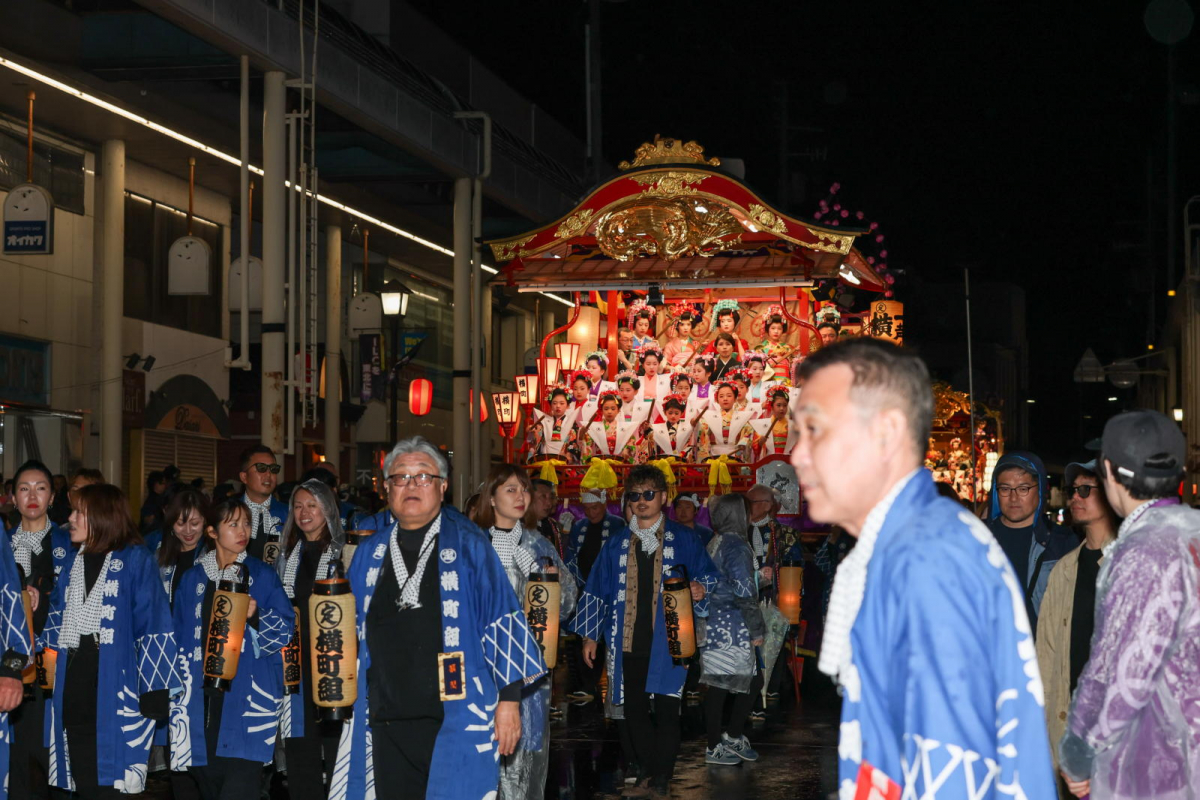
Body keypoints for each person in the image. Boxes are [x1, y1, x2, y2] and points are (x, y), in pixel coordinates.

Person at [792, 338, 1054, 798]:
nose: (796, 454)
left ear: (887, 433)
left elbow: (951, 770)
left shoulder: (925, 561)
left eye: (815, 429)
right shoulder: (909, 543)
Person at [331, 437, 545, 800]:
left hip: (455, 710)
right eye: (401, 478)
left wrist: (509, 702)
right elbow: (346, 631)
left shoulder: (470, 544)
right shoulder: (368, 552)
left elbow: (501, 616)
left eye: (423, 477)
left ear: (443, 487)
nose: (411, 485)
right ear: (386, 488)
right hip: (385, 711)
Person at [1059, 410, 1200, 800]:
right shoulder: (1191, 533)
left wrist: (1080, 751)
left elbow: (1122, 671)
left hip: (1160, 764)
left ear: (1108, 471)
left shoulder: (1143, 550)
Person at [574, 465, 720, 798]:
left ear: (663, 497)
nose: (642, 501)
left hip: (671, 638)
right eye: (635, 495)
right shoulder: (616, 544)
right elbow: (597, 587)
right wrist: (590, 634)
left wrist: (700, 587)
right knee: (635, 710)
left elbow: (710, 575)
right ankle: (653, 773)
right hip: (627, 639)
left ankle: (660, 778)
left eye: (649, 494)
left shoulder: (684, 539)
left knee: (669, 710)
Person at [43, 483, 178, 798]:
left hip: (118, 688)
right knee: (85, 782)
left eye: (79, 512)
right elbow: (56, 619)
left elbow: (154, 623)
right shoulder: (72, 563)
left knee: (112, 786)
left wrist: (155, 689)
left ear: (101, 517)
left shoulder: (135, 559)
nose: (71, 518)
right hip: (76, 682)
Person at [170, 498, 293, 800]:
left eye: (247, 524)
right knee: (209, 784)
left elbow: (286, 630)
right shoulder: (192, 579)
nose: (243, 531)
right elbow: (177, 639)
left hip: (247, 701)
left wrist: (257, 616)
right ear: (211, 531)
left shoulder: (262, 575)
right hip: (201, 704)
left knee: (241, 787)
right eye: (233, 524)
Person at [472, 465, 576, 800]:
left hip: (529, 669)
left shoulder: (537, 545)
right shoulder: (472, 545)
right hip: (481, 668)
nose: (520, 497)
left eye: (524, 490)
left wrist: (549, 583)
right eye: (510, 490)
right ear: (491, 497)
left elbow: (570, 597)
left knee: (527, 750)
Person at [1035, 459, 1117, 796]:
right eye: (1073, 491)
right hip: (1071, 729)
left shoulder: (1129, 563)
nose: (1075, 498)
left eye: (1086, 490)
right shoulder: (1064, 569)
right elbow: (1047, 653)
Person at [276, 480, 346, 800]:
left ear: (327, 509)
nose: (304, 513)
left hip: (332, 660)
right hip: (295, 660)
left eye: (312, 505)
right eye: (298, 506)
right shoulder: (286, 554)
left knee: (336, 744)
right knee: (299, 742)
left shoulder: (343, 552)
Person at [8, 460, 72, 799]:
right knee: (16, 757)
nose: (32, 496)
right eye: (24, 488)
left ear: (51, 497)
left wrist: (45, 598)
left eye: (41, 488)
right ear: (12, 498)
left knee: (55, 758)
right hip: (12, 666)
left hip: (56, 665)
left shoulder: (70, 544)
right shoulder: (3, 544)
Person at [700, 494, 766, 766]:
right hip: (732, 626)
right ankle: (716, 744)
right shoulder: (736, 545)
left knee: (741, 682)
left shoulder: (718, 540)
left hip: (716, 623)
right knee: (725, 686)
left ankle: (730, 737)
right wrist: (756, 628)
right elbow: (743, 591)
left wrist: (759, 577)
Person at [154, 488, 209, 800]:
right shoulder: (161, 555)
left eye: (195, 523)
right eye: (179, 523)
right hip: (172, 665)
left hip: (204, 661)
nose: (187, 531)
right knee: (179, 752)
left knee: (205, 754)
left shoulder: (215, 556)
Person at [985, 452, 1078, 629]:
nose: (1013, 498)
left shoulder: (1061, 542)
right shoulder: (977, 537)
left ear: (1041, 489)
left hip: (1041, 650)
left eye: (1023, 488)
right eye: (1005, 489)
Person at [237, 445, 289, 565]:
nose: (268, 474)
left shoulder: (288, 514)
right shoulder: (228, 514)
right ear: (244, 477)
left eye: (273, 469)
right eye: (261, 468)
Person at [695, 380, 756, 462]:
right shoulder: (707, 418)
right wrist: (706, 458)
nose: (725, 399)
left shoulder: (743, 417)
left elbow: (747, 435)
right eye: (721, 396)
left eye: (729, 396)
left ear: (735, 399)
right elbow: (703, 440)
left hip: (735, 457)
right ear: (717, 400)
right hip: (714, 457)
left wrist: (742, 445)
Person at [580, 391, 645, 463]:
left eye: (613, 409)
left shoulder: (625, 428)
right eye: (606, 408)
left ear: (619, 410)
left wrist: (627, 449)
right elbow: (587, 446)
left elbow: (631, 443)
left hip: (619, 464)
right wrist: (582, 437)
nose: (609, 411)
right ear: (601, 410)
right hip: (600, 463)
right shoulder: (594, 427)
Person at [525, 387, 579, 463]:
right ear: (550, 405)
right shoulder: (544, 421)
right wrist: (532, 429)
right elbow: (536, 435)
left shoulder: (571, 422)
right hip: (545, 458)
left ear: (567, 406)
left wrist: (568, 454)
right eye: (554, 403)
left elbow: (573, 442)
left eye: (562, 403)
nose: (558, 406)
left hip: (563, 458)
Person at [750, 386, 797, 459]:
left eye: (785, 405)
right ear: (772, 407)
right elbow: (755, 449)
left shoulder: (793, 425)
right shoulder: (762, 425)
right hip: (769, 461)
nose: (782, 408)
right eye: (778, 405)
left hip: (787, 461)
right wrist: (760, 443)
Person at [646, 394, 695, 461]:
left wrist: (696, 425)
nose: (673, 416)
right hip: (662, 461)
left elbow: (690, 446)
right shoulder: (655, 428)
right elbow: (651, 442)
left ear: (682, 413)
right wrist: (646, 430)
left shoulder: (688, 428)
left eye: (676, 413)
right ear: (664, 412)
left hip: (681, 461)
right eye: (670, 413)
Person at [753, 306, 794, 379]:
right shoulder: (761, 348)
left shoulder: (787, 348)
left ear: (782, 331)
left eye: (779, 329)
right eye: (773, 328)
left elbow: (791, 367)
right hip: (767, 380)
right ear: (768, 329)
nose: (776, 331)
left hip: (784, 380)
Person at [662, 303, 702, 370]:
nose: (685, 328)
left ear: (692, 326)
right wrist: (674, 368)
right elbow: (664, 365)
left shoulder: (696, 344)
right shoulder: (670, 345)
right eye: (682, 325)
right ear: (677, 326)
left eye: (688, 324)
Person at [529, 478, 563, 553]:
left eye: (551, 497)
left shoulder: (551, 525)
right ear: (528, 498)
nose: (549, 503)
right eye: (543, 497)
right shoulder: (518, 528)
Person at [685, 356, 716, 424]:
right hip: (692, 422)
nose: (696, 374)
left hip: (709, 423)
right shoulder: (690, 389)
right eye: (694, 371)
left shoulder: (715, 390)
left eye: (699, 371)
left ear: (708, 373)